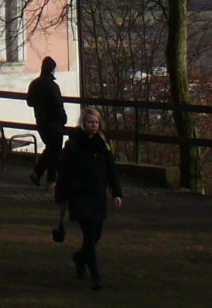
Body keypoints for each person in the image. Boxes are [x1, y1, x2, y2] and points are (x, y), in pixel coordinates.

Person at [51, 111, 124, 289]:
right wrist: (61, 197)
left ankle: (80, 258)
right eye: (90, 122)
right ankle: (95, 275)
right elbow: (64, 173)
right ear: (83, 123)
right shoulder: (73, 145)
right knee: (90, 234)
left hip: (97, 195)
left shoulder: (102, 145)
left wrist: (117, 192)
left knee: (96, 234)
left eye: (96, 122)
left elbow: (111, 170)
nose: (93, 125)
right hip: (79, 195)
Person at [26, 56, 68, 187]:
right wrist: (63, 119)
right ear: (52, 70)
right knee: (55, 150)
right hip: (54, 122)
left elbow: (29, 102)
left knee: (51, 148)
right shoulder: (53, 86)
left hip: (40, 121)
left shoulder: (34, 83)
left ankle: (38, 173)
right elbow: (58, 104)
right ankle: (51, 179)